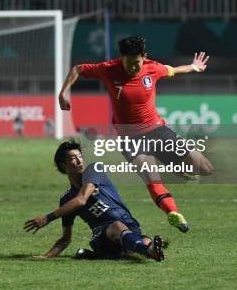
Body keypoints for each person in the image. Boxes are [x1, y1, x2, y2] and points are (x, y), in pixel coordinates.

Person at [58, 36, 214, 232]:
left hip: (158, 131)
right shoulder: (108, 68)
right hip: (129, 139)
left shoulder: (153, 68)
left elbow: (172, 70)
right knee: (151, 176)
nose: (132, 67)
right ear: (122, 57)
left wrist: (193, 67)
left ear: (144, 57)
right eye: (128, 62)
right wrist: (63, 92)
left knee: (206, 168)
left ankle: (170, 163)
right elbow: (78, 69)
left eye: (136, 62)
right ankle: (174, 214)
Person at [24, 140, 165, 262]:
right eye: (73, 158)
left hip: (130, 224)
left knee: (146, 241)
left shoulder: (94, 169)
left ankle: (128, 252)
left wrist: (47, 218)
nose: (80, 161)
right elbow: (66, 238)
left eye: (80, 156)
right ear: (63, 165)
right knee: (118, 227)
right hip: (102, 236)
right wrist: (46, 256)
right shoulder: (67, 200)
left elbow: (81, 200)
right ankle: (137, 251)